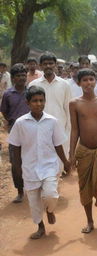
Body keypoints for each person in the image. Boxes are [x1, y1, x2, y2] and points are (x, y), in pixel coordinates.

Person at [8, 86, 70, 239]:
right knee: (34, 201)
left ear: (45, 101)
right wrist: (16, 167)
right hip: (29, 167)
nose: (38, 103)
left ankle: (49, 210)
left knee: (51, 194)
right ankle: (40, 226)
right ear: (28, 103)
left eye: (41, 100)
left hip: (49, 166)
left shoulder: (52, 121)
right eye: (35, 101)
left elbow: (57, 144)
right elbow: (15, 146)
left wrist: (66, 162)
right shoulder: (20, 123)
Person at [69, 69, 97, 233]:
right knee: (85, 186)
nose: (88, 83)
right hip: (84, 150)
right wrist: (71, 154)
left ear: (95, 81)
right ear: (79, 83)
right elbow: (74, 130)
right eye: (84, 80)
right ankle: (89, 220)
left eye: (91, 79)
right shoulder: (74, 103)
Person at [28, 52, 72, 172]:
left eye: (51, 63)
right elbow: (30, 108)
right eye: (45, 64)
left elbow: (68, 108)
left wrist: (68, 128)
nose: (48, 66)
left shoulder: (64, 85)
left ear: (55, 65)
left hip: (60, 127)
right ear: (40, 66)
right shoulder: (33, 85)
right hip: (40, 127)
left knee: (59, 162)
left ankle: (55, 183)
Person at [0, 63, 30, 203]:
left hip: (31, 130)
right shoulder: (7, 94)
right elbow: (4, 112)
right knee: (15, 162)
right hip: (14, 131)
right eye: (18, 76)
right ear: (13, 78)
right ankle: (20, 191)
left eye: (23, 75)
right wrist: (13, 123)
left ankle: (34, 189)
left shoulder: (32, 92)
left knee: (33, 159)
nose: (21, 78)